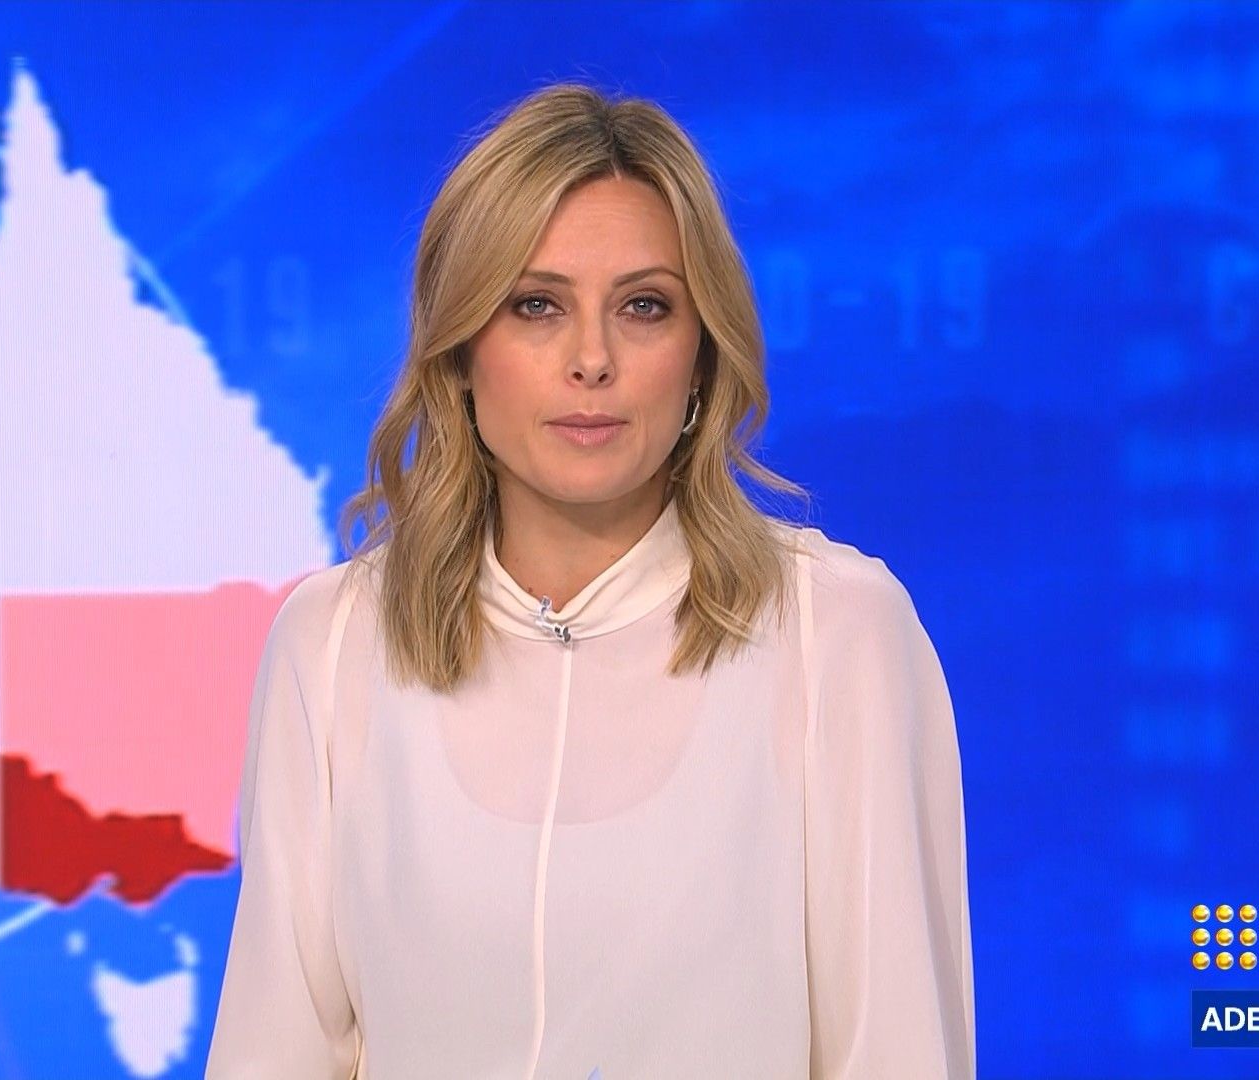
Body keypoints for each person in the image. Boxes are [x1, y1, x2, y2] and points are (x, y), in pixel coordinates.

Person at [205, 81, 973, 1080]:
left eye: (644, 307)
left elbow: (901, 1056)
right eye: (537, 305)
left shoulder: (837, 632)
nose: (593, 359)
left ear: (701, 355)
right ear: (460, 350)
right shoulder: (335, 640)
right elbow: (273, 1052)